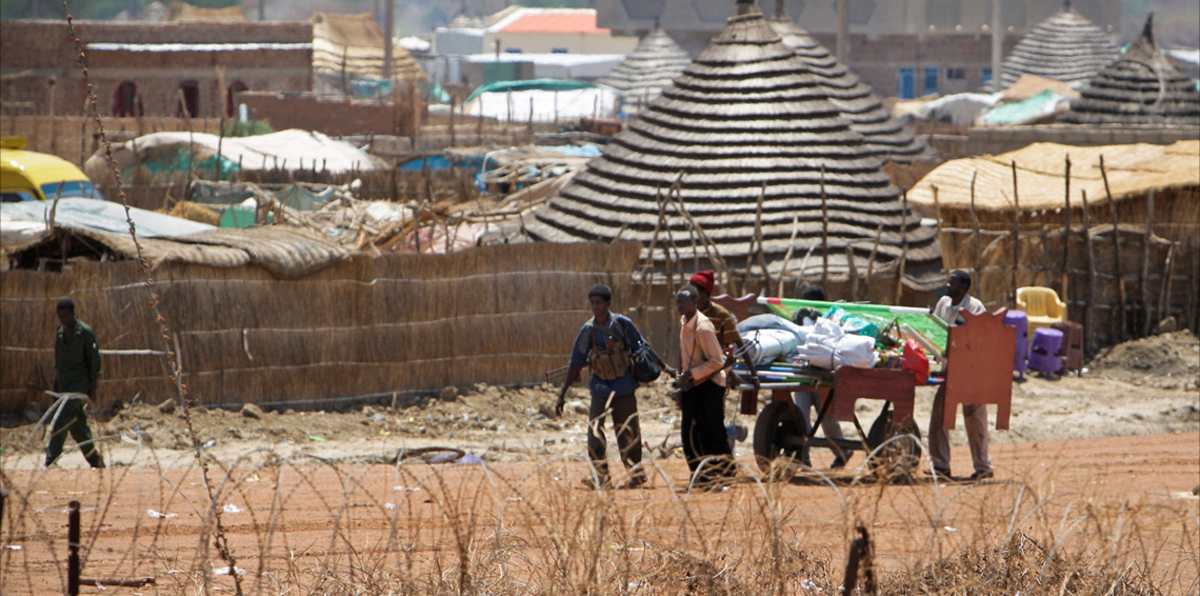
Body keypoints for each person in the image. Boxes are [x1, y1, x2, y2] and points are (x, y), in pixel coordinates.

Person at [556, 284, 648, 489]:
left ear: (608, 304)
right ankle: (601, 477)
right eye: (592, 303)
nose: (595, 307)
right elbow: (575, 362)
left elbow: (642, 348)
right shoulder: (588, 331)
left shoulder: (623, 324)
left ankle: (636, 474)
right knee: (594, 432)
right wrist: (562, 394)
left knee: (628, 432)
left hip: (624, 387)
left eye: (599, 303)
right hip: (600, 389)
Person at [927, 270, 991, 481]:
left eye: (951, 283)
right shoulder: (944, 304)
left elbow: (978, 337)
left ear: (963, 287)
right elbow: (937, 331)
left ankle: (983, 466)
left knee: (975, 418)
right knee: (940, 416)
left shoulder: (975, 307)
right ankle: (941, 464)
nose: (947, 286)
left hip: (971, 370)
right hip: (949, 369)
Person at [674, 286, 735, 489]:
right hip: (692, 386)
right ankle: (701, 475)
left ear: (694, 302)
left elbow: (717, 362)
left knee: (712, 432)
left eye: (682, 302)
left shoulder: (703, 327)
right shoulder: (684, 323)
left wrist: (690, 374)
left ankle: (725, 473)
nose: (678, 306)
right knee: (689, 433)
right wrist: (681, 376)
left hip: (709, 385)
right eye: (677, 302)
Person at [790, 285, 851, 468]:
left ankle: (843, 452)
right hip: (803, 372)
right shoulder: (798, 317)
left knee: (827, 418)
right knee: (801, 415)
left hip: (824, 374)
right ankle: (803, 455)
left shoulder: (832, 320)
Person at [45, 298, 105, 468]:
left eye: (65, 316)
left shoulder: (85, 332)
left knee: (62, 419)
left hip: (79, 383)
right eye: (60, 316)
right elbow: (59, 361)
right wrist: (56, 387)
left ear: (73, 313)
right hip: (64, 383)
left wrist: (92, 389)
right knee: (78, 426)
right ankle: (96, 461)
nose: (63, 319)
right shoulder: (59, 332)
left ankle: (50, 460)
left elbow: (94, 363)